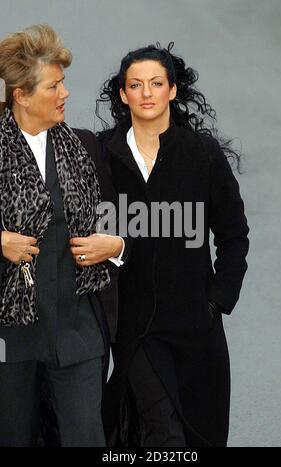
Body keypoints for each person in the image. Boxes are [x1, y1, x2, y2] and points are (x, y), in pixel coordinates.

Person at [96, 43, 250, 447]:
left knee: (202, 430)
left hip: (196, 324)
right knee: (162, 428)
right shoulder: (101, 155)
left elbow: (234, 234)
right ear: (123, 94)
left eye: (156, 83)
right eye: (135, 84)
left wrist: (218, 298)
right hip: (135, 326)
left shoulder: (201, 154)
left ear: (173, 90)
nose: (146, 93)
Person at [0, 24, 123, 447]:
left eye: (63, 83)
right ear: (21, 95)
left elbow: (118, 220)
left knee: (86, 435)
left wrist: (115, 244)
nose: (65, 93)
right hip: (11, 334)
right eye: (53, 86)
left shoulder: (84, 147)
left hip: (77, 328)